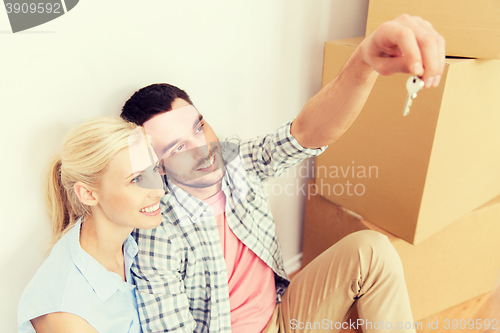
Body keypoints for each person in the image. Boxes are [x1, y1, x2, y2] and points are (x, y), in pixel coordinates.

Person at [120, 15, 445, 332]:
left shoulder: (233, 162)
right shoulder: (157, 233)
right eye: (178, 148)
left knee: (372, 250)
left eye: (199, 126)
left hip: (283, 311)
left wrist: (365, 60)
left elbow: (306, 133)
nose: (202, 150)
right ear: (157, 165)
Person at [17, 117, 165, 333]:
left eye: (155, 170)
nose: (159, 190)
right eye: (136, 179)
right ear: (87, 194)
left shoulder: (132, 244)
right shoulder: (67, 312)